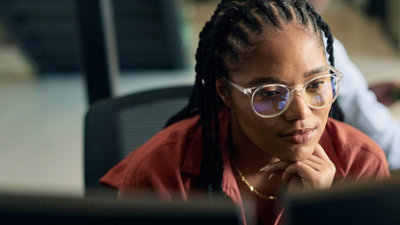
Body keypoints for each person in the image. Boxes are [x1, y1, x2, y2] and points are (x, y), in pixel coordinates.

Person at [100, 1, 390, 224]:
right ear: (225, 92)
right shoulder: (162, 174)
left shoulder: (360, 165)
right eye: (271, 94)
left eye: (316, 84)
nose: (301, 113)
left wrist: (321, 211)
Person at [307, 0, 400, 169]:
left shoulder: (249, 28)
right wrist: (361, 102)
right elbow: (386, 144)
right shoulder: (315, 41)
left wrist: (364, 96)